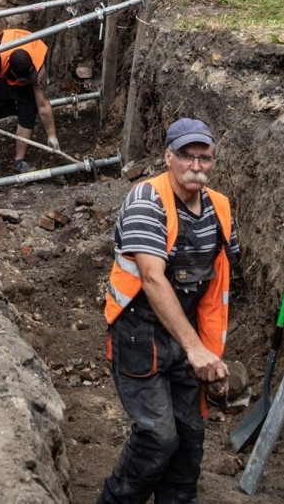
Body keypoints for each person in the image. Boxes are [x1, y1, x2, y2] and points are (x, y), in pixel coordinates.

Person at [97, 118, 240, 504]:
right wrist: (195, 349)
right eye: (186, 156)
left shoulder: (221, 209)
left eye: (204, 157)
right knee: (158, 438)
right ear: (168, 157)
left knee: (189, 441)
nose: (196, 165)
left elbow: (216, 290)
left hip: (186, 334)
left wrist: (211, 356)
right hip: (138, 334)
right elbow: (152, 277)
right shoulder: (147, 200)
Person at [0, 27, 61, 182]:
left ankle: (19, 161)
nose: (23, 81)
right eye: (22, 78)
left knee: (28, 113)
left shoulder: (37, 66)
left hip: (26, 72)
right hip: (1, 79)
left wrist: (52, 136)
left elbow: (43, 104)